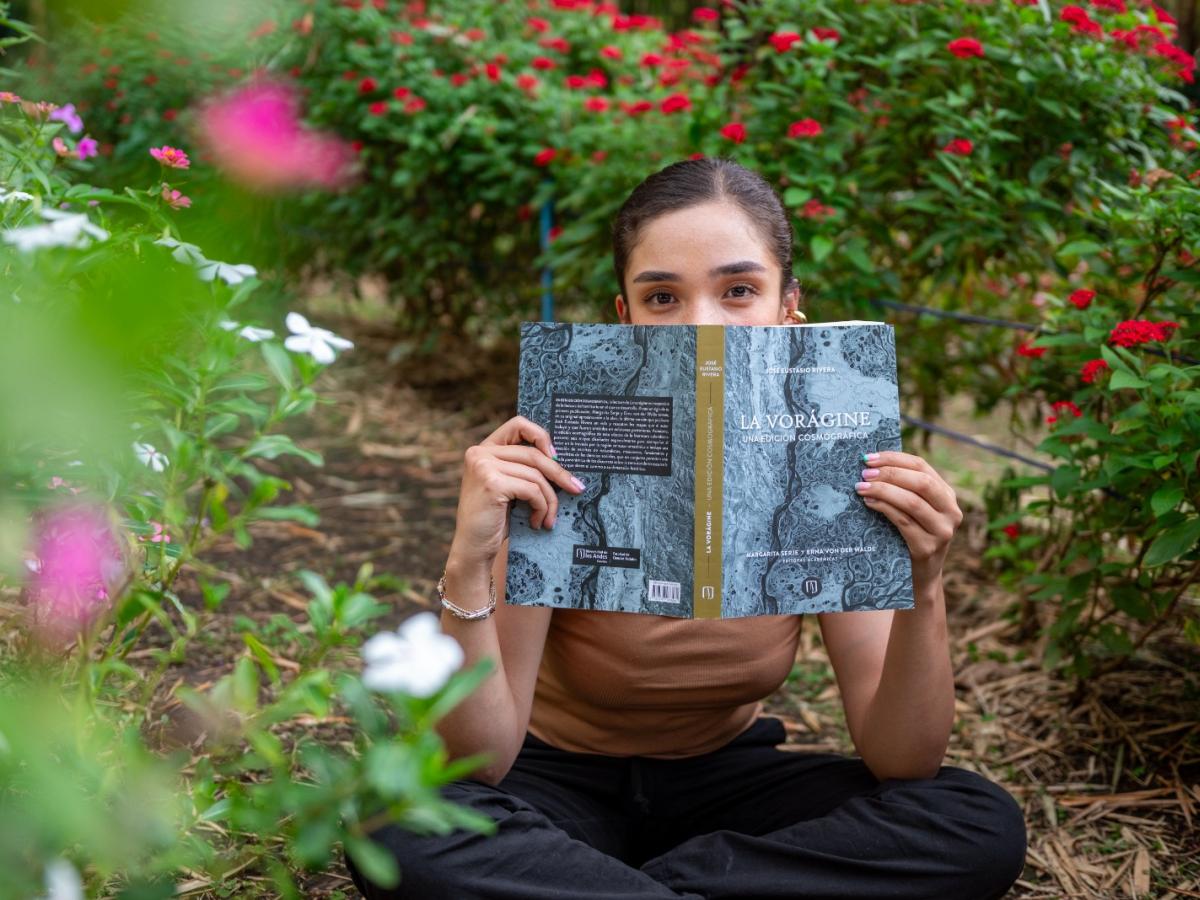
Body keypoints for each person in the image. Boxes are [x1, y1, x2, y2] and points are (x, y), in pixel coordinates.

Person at [346, 158, 1027, 899]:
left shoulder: (835, 456)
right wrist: (466, 566)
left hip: (730, 791)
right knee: (400, 824)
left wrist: (924, 580)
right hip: (549, 780)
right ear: (624, 317)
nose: (703, 324)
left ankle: (623, 889)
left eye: (739, 290)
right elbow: (480, 765)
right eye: (663, 296)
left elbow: (903, 760)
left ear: (788, 307)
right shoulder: (551, 452)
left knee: (974, 821)